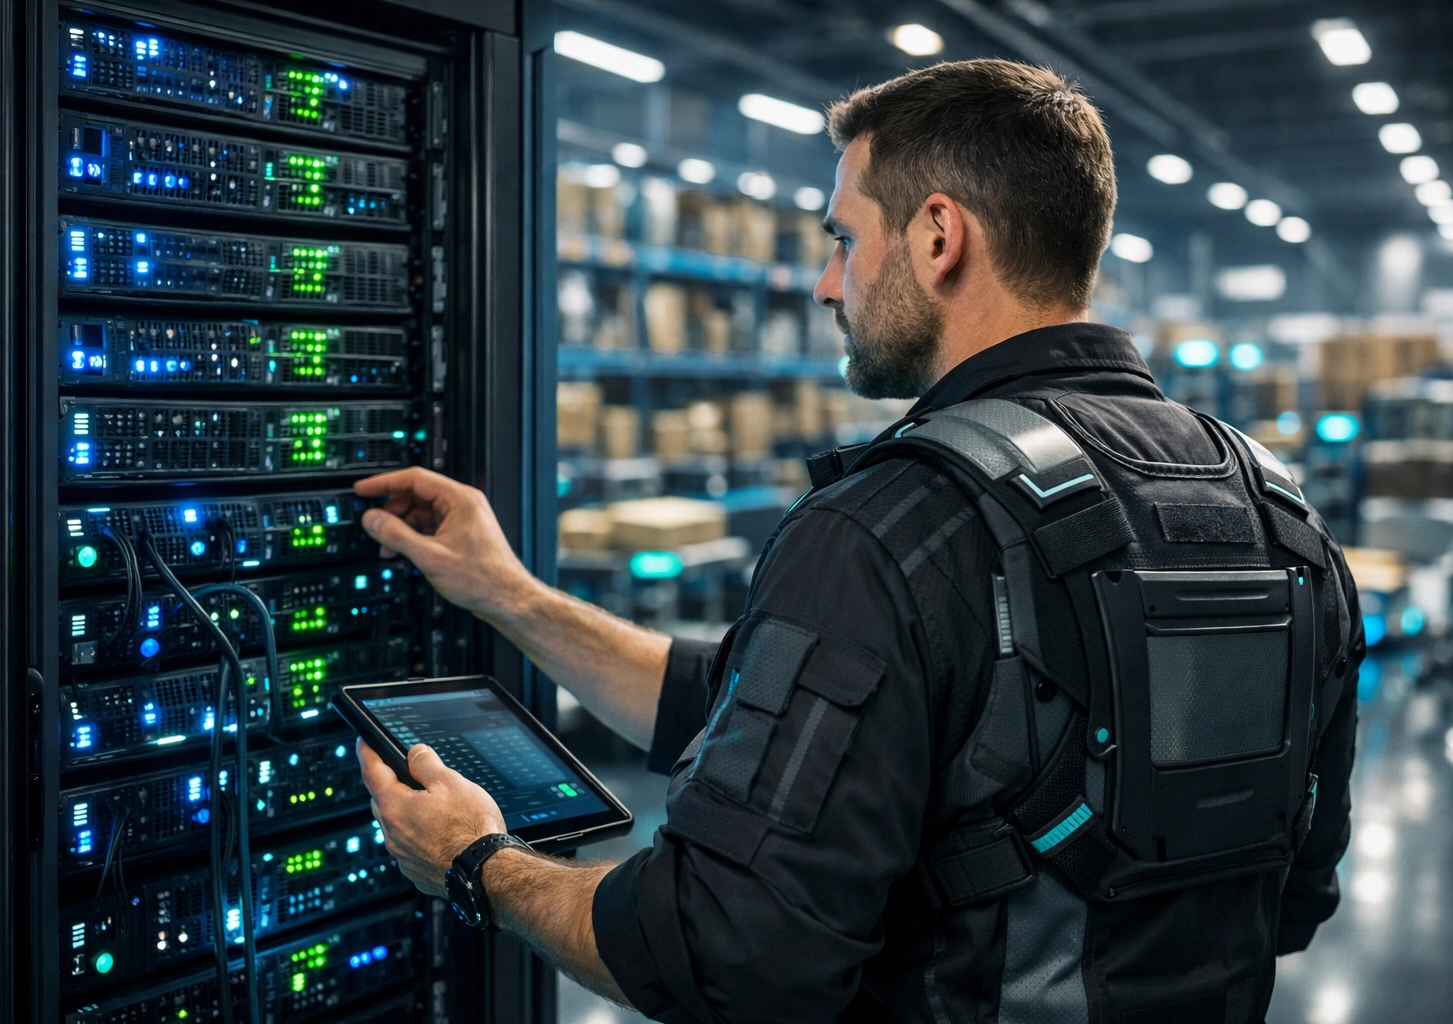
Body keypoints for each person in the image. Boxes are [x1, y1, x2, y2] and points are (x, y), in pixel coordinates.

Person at [354, 58, 1361, 1023]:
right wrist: (508, 594)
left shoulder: (891, 526)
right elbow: (1294, 896)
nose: (828, 284)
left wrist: (478, 864)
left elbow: (727, 951)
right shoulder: (1280, 517)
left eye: (844, 238)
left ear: (937, 238)